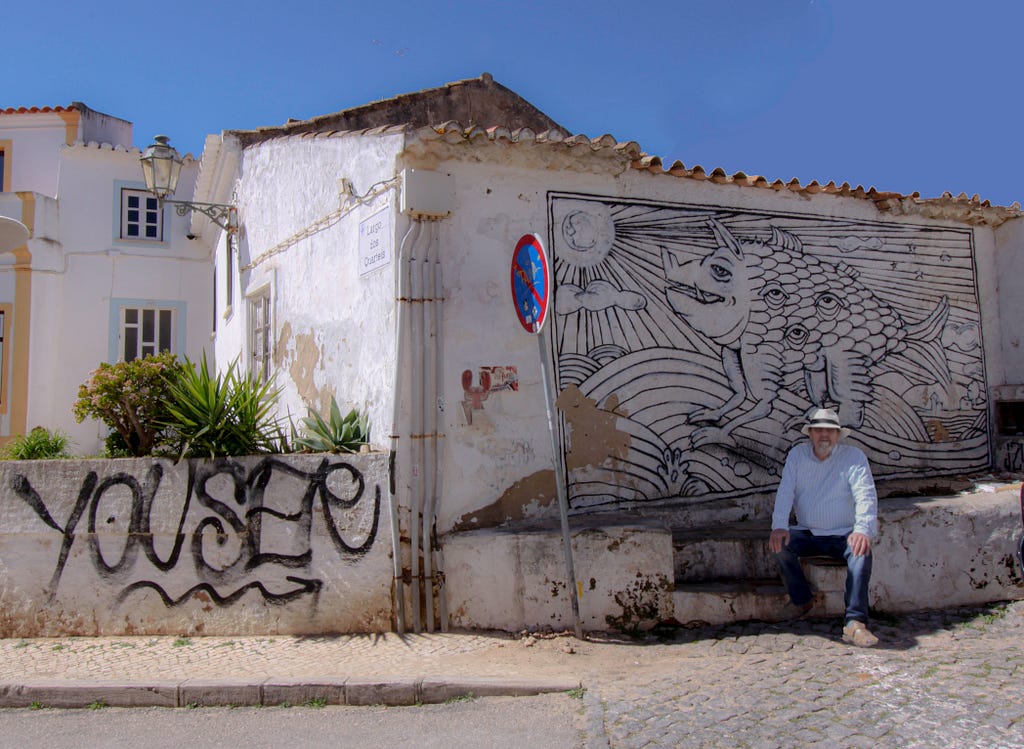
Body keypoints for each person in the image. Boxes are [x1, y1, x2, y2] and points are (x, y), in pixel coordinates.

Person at [769, 407, 879, 647]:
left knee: (861, 553)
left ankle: (855, 623)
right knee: (780, 545)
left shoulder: (853, 457)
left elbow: (865, 495)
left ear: (838, 435)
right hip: (808, 532)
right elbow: (785, 490)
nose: (824, 436)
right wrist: (779, 526)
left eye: (829, 430)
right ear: (810, 434)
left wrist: (862, 529)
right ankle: (802, 600)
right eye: (818, 430)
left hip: (844, 535)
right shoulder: (797, 455)